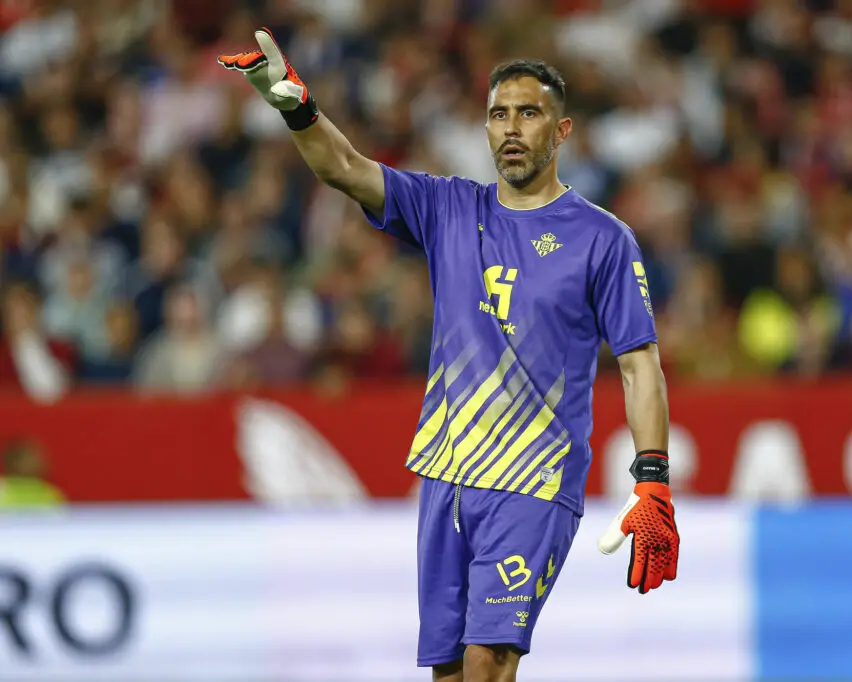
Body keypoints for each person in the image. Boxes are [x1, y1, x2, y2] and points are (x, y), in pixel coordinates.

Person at [219, 29, 680, 682]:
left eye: (529, 113)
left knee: (489, 660)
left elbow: (639, 365)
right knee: (452, 673)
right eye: (498, 114)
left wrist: (652, 478)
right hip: (447, 474)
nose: (511, 128)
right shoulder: (449, 208)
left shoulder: (603, 239)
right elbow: (343, 167)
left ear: (562, 131)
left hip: (535, 480)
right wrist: (297, 109)